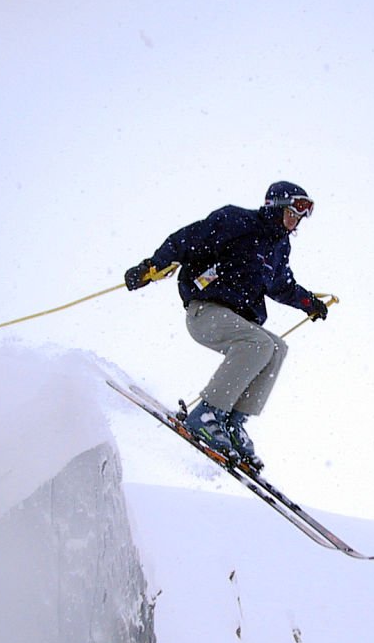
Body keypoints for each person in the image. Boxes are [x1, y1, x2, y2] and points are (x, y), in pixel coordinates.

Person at [125, 181, 328, 469]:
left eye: (300, 217)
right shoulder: (235, 221)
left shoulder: (279, 247)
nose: (296, 222)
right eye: (293, 213)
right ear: (276, 208)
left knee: (277, 348)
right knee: (258, 344)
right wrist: (151, 267)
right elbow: (184, 241)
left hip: (237, 320)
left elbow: (282, 286)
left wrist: (309, 303)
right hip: (205, 310)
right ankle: (206, 415)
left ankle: (232, 422)